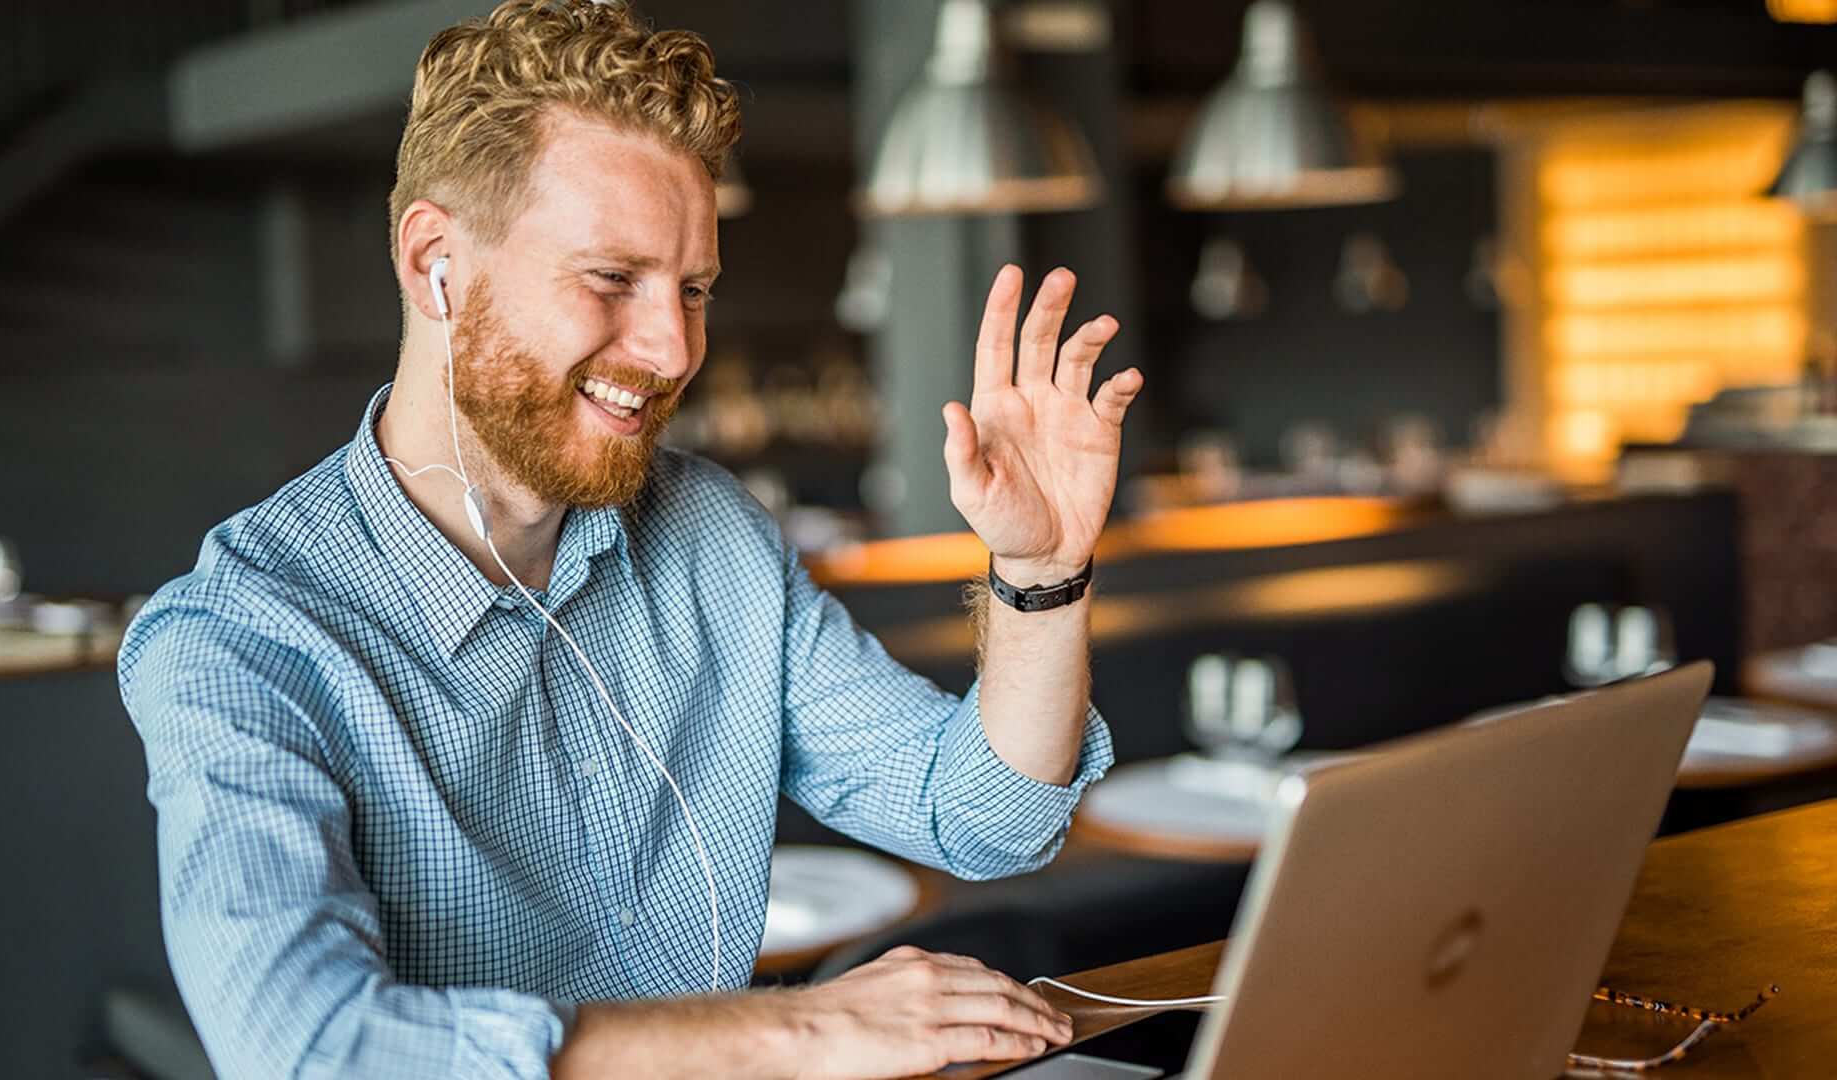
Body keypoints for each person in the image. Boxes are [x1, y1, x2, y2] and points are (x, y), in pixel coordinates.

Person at [117, 2, 1145, 1077]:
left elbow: (986, 817)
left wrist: (1041, 570)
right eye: (611, 279)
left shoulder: (712, 538)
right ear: (436, 262)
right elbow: (310, 1048)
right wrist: (802, 1028)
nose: (669, 348)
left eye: (693, 289)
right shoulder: (242, 637)